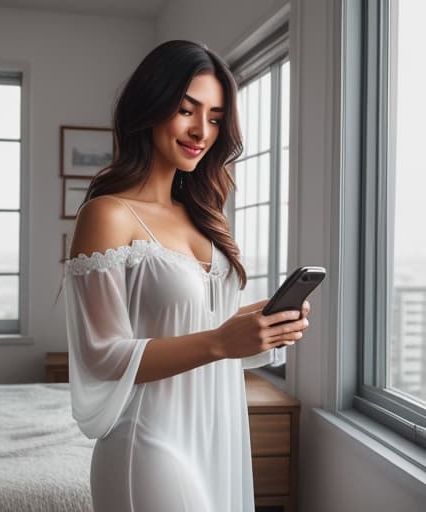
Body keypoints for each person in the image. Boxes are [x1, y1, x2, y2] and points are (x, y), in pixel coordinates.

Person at [63, 40, 310, 512]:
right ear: (150, 108)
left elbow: (193, 324)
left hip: (216, 439)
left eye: (216, 117)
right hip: (148, 445)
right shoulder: (108, 215)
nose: (202, 130)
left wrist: (259, 325)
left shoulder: (203, 214)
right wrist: (221, 340)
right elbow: (100, 357)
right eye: (186, 110)